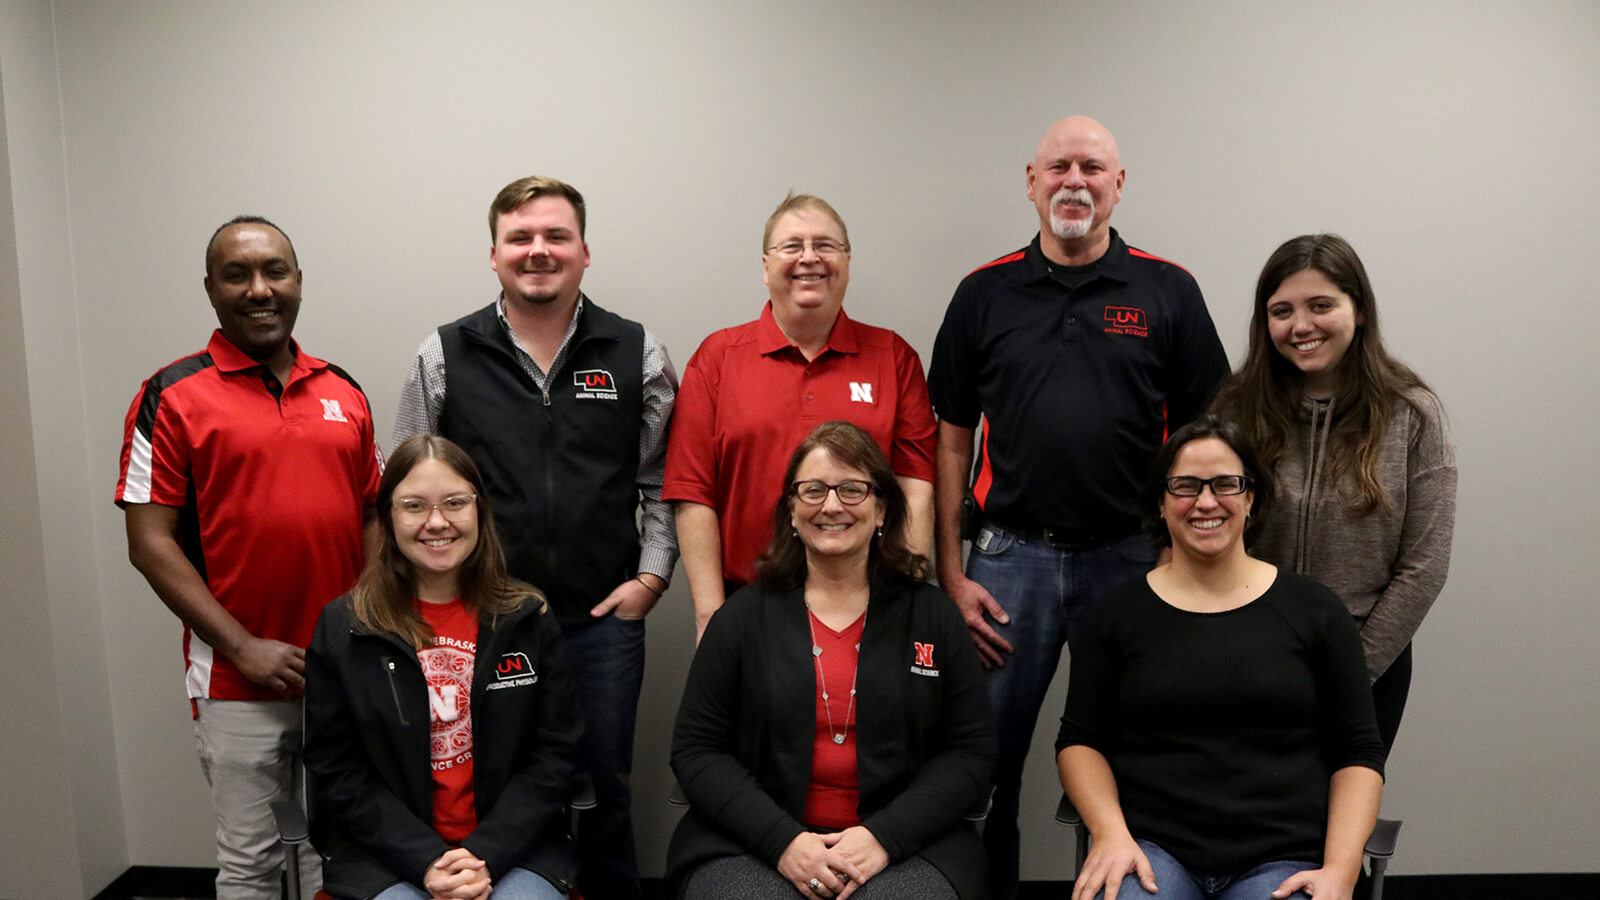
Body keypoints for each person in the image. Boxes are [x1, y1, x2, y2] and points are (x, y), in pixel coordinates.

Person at [927, 115, 1230, 898]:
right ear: (1030, 181)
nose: (1074, 180)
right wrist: (949, 574)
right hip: (1006, 562)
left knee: (1129, 760)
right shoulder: (983, 293)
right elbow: (951, 441)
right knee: (982, 759)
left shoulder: (1168, 291)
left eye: (1092, 167)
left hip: (1132, 561)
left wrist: (1180, 559)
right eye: (1058, 165)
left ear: (1118, 185)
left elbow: (1210, 439)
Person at [393, 175, 676, 898]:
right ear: (494, 254)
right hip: (482, 624)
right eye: (520, 238)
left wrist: (650, 579)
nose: (538, 251)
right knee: (491, 787)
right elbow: (406, 485)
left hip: (601, 622)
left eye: (556, 236)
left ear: (585, 251)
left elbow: (663, 483)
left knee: (607, 787)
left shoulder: (637, 352)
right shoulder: (445, 353)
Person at [116, 216, 383, 899]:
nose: (259, 289)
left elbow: (372, 513)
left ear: (299, 283)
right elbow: (149, 545)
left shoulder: (343, 392)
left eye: (275, 272)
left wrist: (368, 627)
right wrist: (242, 648)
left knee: (341, 853)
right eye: (237, 274)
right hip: (238, 679)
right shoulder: (171, 395)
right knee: (254, 863)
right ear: (211, 288)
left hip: (340, 672)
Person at [1056, 415, 1386, 900]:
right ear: (1161, 504)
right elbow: (1079, 741)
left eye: (1225, 485)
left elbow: (1358, 753)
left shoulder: (1315, 610)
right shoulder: (1116, 614)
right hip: (1150, 853)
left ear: (1250, 498)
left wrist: (1340, 869)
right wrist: (1109, 833)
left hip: (1285, 858)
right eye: (1186, 486)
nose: (1206, 502)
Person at [666, 421, 994, 900]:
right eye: (813, 490)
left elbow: (970, 753)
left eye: (853, 489)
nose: (832, 505)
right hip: (756, 843)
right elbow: (696, 751)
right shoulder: (740, 619)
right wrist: (783, 841)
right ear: (792, 513)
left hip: (903, 845)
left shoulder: (932, 617)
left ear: (883, 510)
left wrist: (884, 837)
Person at [304, 434, 579, 900]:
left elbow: (555, 758)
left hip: (515, 848)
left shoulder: (528, 619)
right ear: (388, 518)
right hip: (384, 854)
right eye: (414, 506)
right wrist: (425, 859)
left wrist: (483, 854)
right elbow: (337, 771)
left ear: (480, 512)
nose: (437, 522)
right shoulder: (344, 627)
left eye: (455, 503)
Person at [1209, 234, 1455, 752]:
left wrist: (1350, 672)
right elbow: (1206, 531)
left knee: (1338, 823)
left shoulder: (1413, 415)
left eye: (1321, 305)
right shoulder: (1234, 410)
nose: (1301, 326)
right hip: (1247, 657)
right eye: (1282, 310)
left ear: (1359, 311)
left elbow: (1424, 567)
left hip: (1367, 663)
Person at [665, 193, 937, 641]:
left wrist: (905, 601)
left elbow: (916, 487)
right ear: (766, 266)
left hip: (870, 609)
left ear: (847, 262)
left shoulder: (894, 358)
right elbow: (693, 493)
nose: (809, 257)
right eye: (792, 246)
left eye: (825, 245)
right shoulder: (717, 359)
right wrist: (711, 614)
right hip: (746, 605)